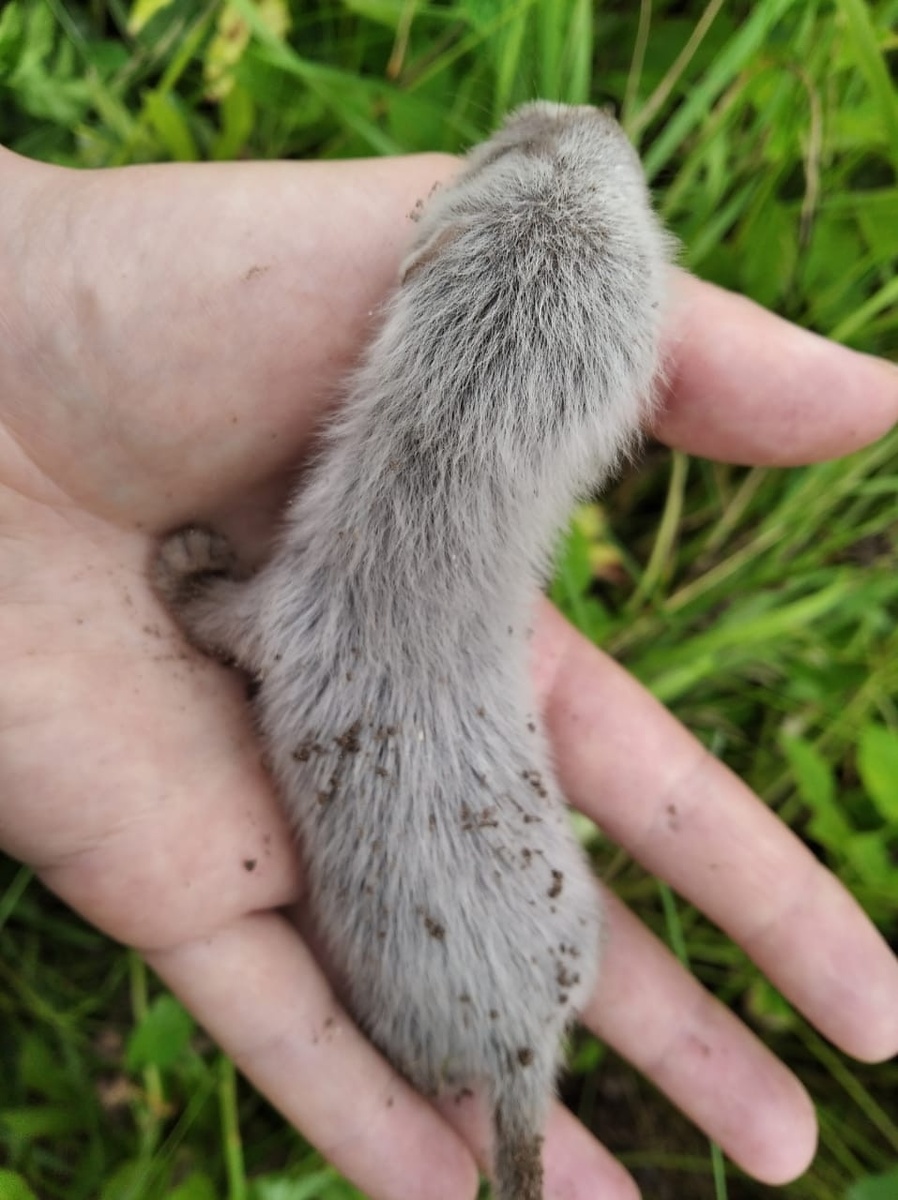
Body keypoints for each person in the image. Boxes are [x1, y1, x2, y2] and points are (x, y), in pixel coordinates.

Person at [0, 142, 895, 1200]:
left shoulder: (352, 561)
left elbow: (296, 630)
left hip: (440, 962)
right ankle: (509, 1088)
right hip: (521, 949)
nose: (586, 125)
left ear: (431, 268)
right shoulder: (447, 545)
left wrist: (205, 601)